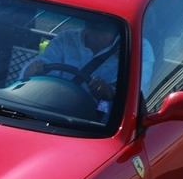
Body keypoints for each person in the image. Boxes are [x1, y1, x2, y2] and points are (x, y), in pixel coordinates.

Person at [23, 20, 153, 111]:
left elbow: (136, 89)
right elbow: (41, 63)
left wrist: (109, 91)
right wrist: (31, 71)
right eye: (95, 21)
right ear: (87, 21)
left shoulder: (136, 47)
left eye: (104, 22)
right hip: (53, 108)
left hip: (102, 119)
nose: (98, 26)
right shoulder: (66, 38)